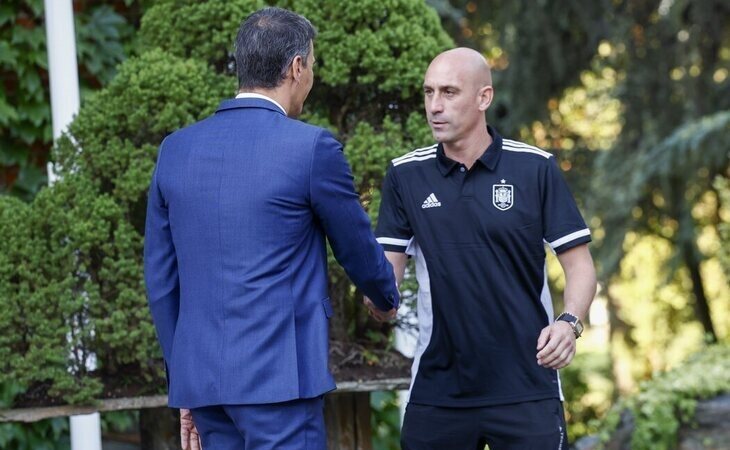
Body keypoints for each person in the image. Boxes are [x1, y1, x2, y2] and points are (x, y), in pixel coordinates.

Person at [143, 7, 399, 450]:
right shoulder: (311, 148)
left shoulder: (175, 150)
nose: (312, 77)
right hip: (281, 385)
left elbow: (161, 280)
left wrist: (183, 385)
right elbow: (355, 247)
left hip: (204, 386)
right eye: (312, 65)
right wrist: (385, 298)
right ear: (296, 67)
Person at [368, 48, 597, 449]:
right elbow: (387, 278)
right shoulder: (405, 175)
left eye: (449, 92)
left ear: (483, 98)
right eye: (428, 92)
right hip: (439, 390)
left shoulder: (536, 168)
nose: (434, 106)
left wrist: (568, 323)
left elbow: (580, 267)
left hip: (528, 384)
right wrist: (377, 299)